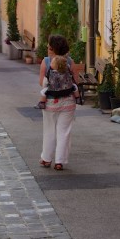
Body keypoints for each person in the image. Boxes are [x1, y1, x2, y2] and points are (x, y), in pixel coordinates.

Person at [39, 35, 79, 171]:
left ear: (52, 48)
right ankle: (59, 161)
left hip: (50, 102)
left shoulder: (46, 61)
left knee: (49, 130)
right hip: (68, 102)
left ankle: (46, 159)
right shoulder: (70, 62)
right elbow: (75, 81)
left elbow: (41, 83)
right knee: (64, 132)